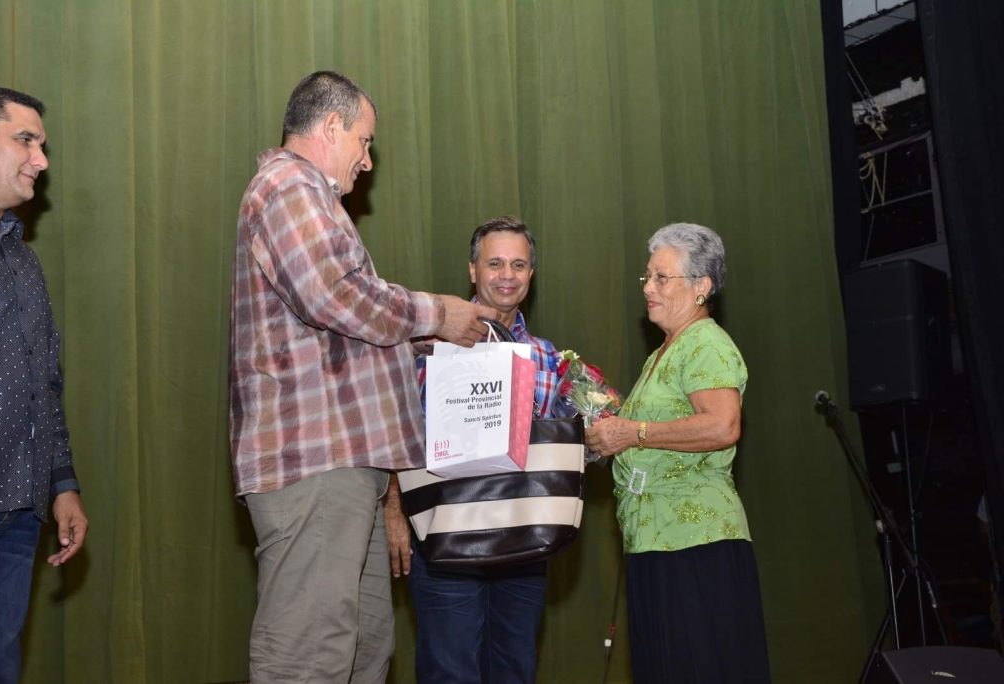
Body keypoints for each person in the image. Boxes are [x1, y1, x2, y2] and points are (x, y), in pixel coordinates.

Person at [229, 71, 497, 683]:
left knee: (362, 648)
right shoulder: (289, 186)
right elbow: (335, 295)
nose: (368, 161)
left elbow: (346, 319)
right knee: (309, 654)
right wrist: (439, 314)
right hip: (314, 459)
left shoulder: (313, 199)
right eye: (364, 141)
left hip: (348, 464)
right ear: (331, 128)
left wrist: (431, 338)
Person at [585, 222, 770, 683]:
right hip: (653, 542)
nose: (648, 288)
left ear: (702, 287)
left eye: (662, 278)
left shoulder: (706, 343)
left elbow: (723, 424)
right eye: (647, 277)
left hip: (696, 546)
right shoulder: (663, 352)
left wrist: (634, 433)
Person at [383, 216, 563, 684]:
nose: (507, 275)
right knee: (449, 670)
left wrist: (600, 420)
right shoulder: (428, 347)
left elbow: (567, 446)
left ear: (531, 275)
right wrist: (393, 512)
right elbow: (398, 434)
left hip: (524, 542)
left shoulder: (548, 358)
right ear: (472, 271)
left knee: (515, 669)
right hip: (445, 538)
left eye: (519, 265)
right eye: (495, 263)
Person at [0, 87, 89, 684]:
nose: (41, 160)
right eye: (25, 140)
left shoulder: (24, 262)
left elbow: (44, 385)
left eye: (42, 146)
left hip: (18, 511)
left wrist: (61, 485)